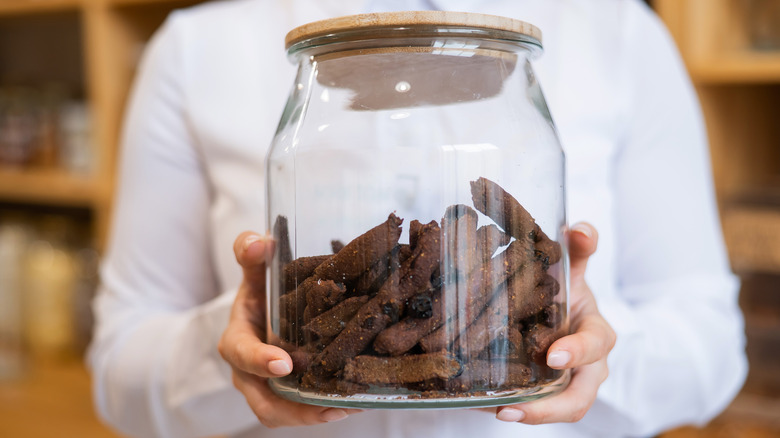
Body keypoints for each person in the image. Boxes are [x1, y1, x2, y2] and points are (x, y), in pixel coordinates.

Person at [86, 0, 747, 437]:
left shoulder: (618, 29)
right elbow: (119, 373)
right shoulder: (198, 46)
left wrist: (580, 346)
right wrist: (239, 343)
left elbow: (712, 354)